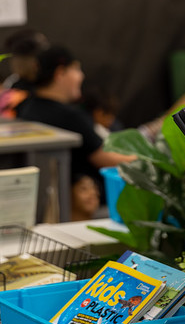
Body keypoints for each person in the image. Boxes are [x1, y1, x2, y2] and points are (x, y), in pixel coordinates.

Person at [16, 45, 135, 220]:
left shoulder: (26, 107)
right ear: (60, 73)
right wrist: (149, 159)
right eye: (77, 69)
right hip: (84, 210)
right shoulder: (70, 117)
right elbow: (108, 160)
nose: (82, 76)